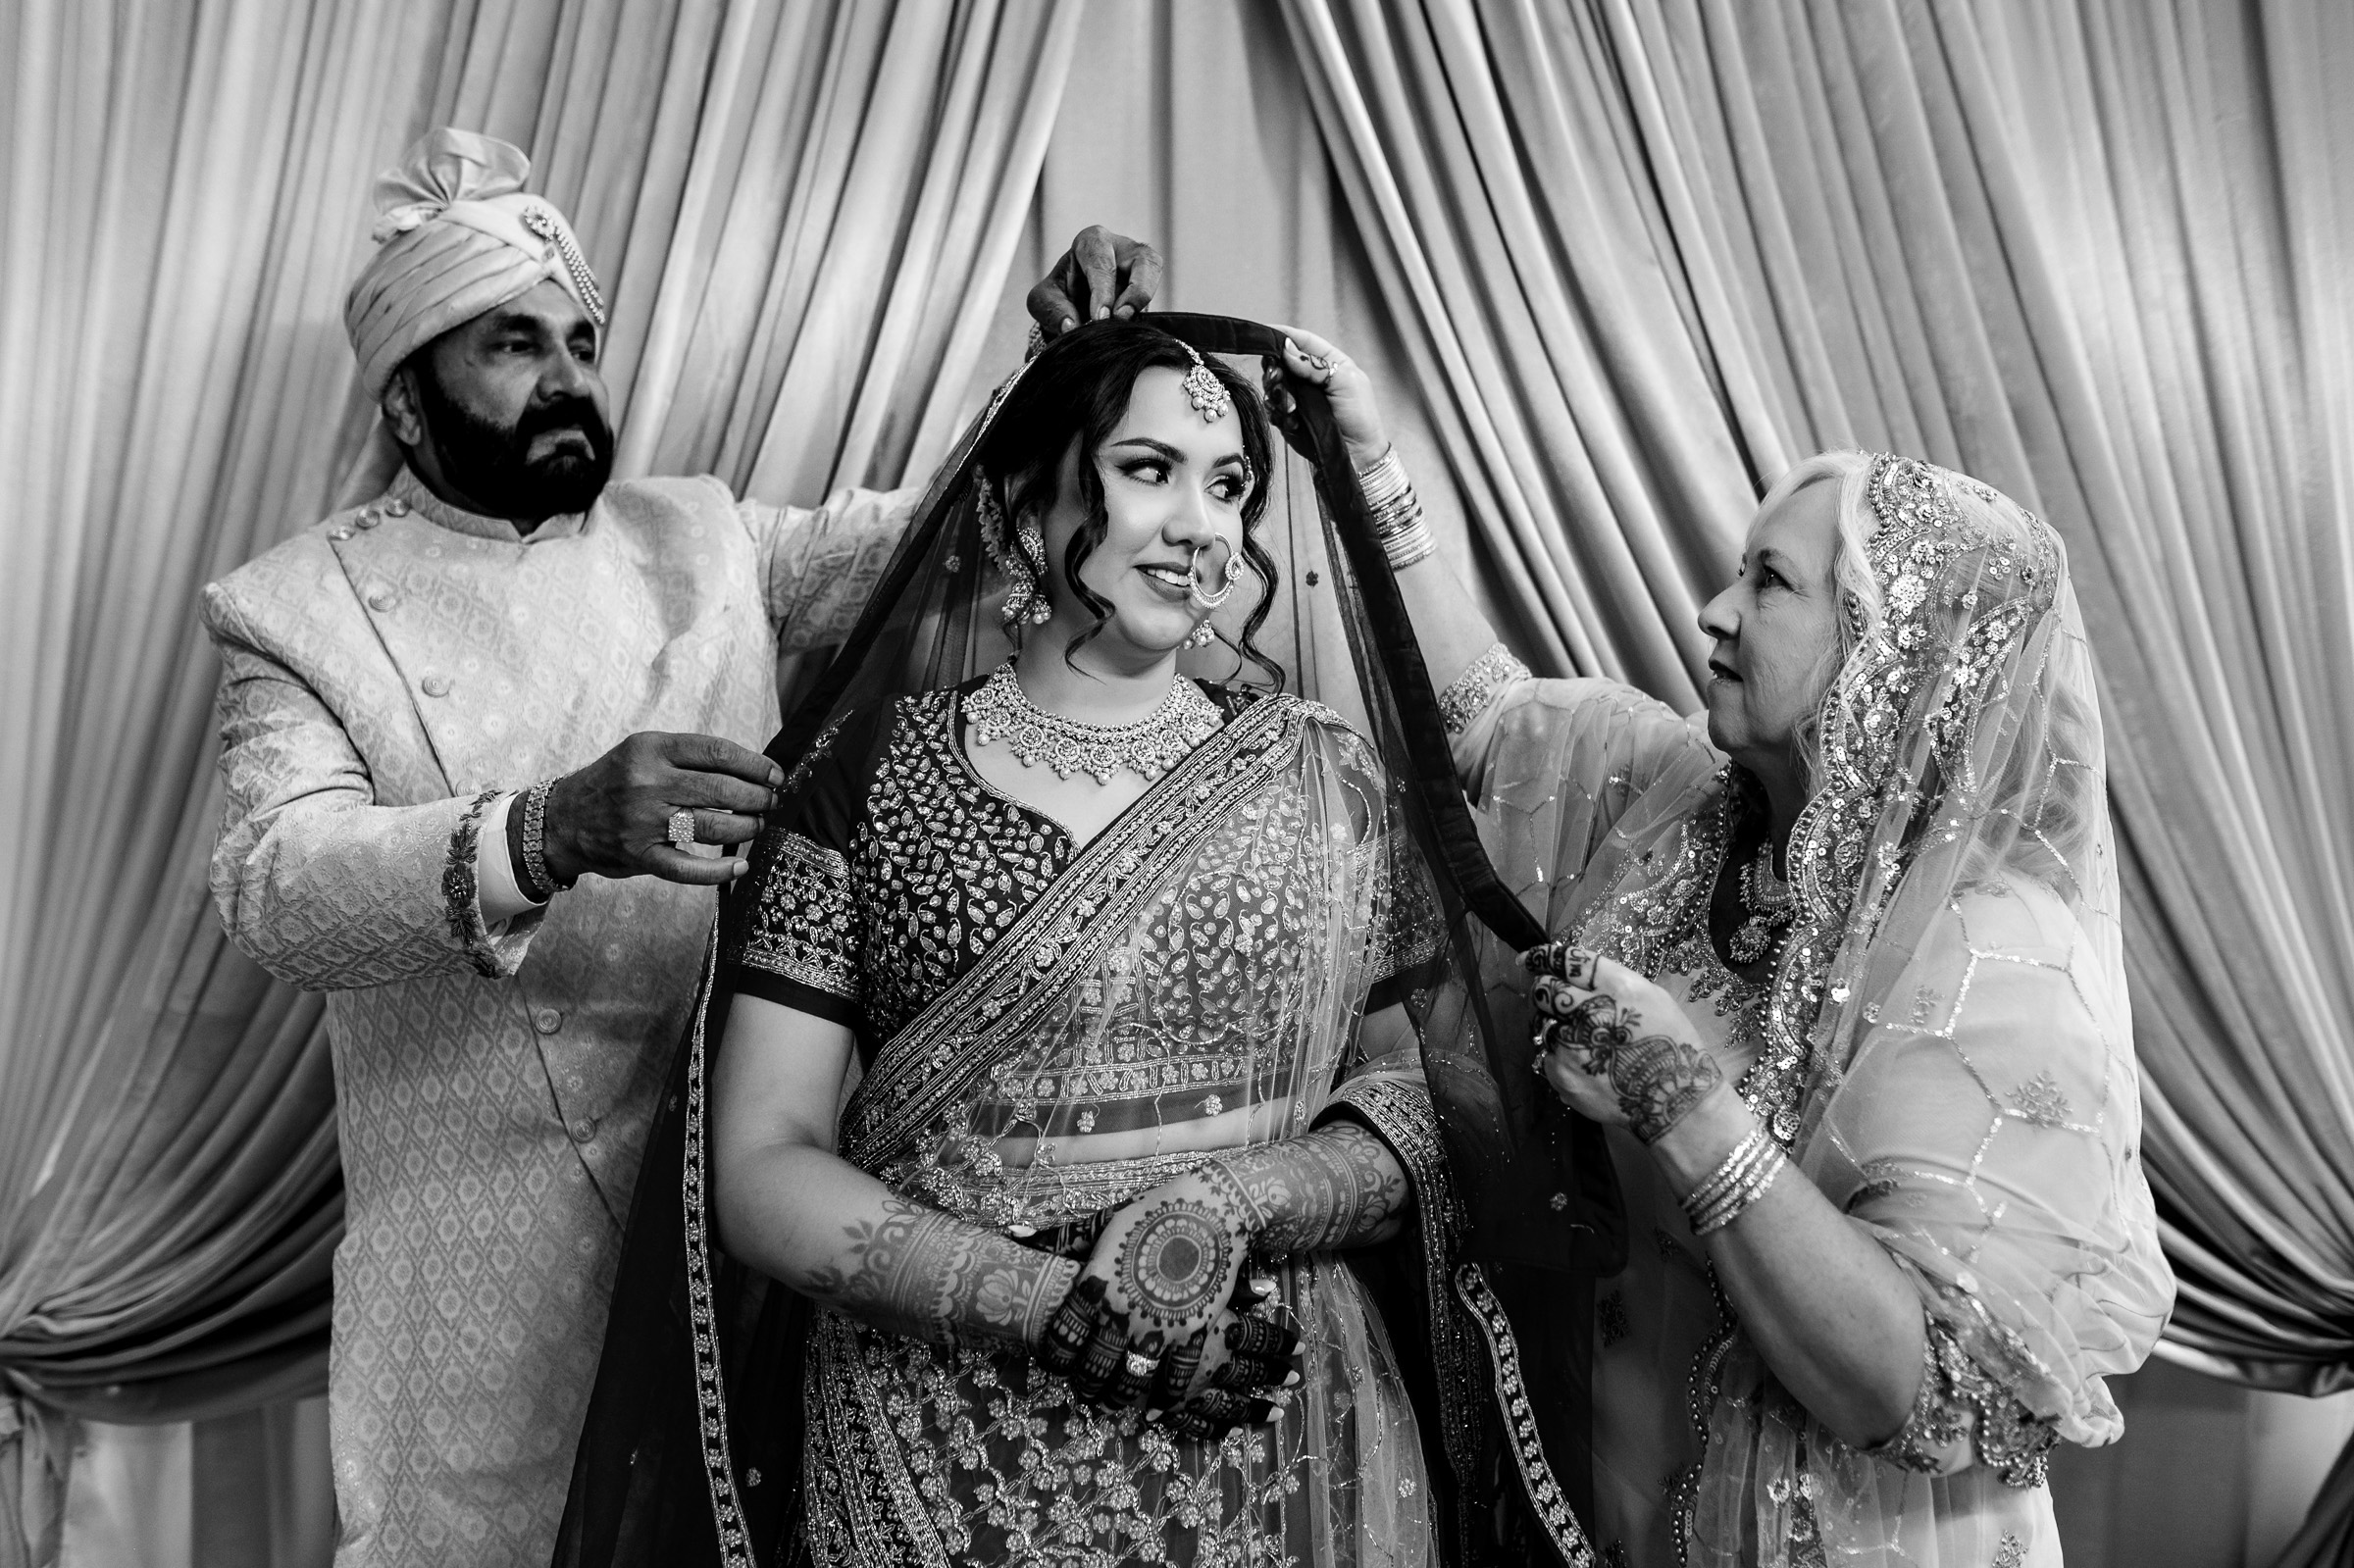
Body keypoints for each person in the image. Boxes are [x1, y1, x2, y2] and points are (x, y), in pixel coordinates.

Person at [200, 126, 1161, 1566]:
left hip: (749, 1211)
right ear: (406, 398)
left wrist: (1061, 373)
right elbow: (275, 886)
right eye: (513, 345)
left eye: (581, 342)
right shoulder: (294, 610)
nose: (568, 378)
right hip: (481, 1280)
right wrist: (553, 825)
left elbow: (929, 542)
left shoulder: (702, 535)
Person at [558, 318, 1531, 1568]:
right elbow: (759, 1165)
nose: (1201, 526)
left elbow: (1410, 1107)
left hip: (1273, 1425)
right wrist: (1056, 1310)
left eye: (1228, 486)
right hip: (931, 1444)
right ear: (1021, 508)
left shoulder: (1322, 775)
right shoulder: (866, 779)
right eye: (1149, 470)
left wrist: (1235, 1201)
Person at [1265, 328, 2174, 1566]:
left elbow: (1918, 1396)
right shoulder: (1684, 808)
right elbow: (1483, 719)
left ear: (1892, 654)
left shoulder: (1992, 958)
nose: (1714, 609)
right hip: (1617, 1509)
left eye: (1771, 583)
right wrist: (1365, 467)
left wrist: (1680, 1103)